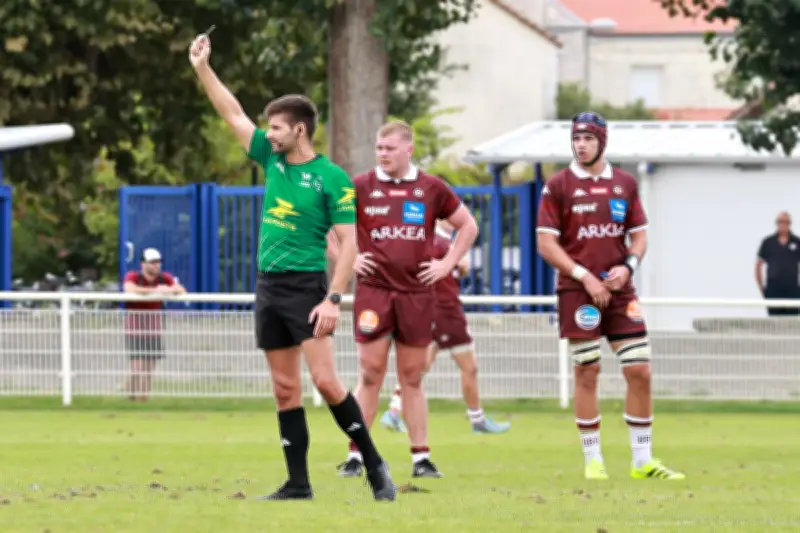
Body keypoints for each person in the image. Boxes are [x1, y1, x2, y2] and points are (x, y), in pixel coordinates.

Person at [189, 31, 395, 502]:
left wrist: (333, 298)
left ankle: (374, 463)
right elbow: (231, 112)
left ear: (298, 129)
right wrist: (202, 68)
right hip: (269, 286)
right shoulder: (271, 159)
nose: (268, 134)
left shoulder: (332, 178)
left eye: (277, 128)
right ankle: (298, 483)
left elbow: (348, 243)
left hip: (308, 287)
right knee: (285, 389)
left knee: (325, 381)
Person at [535, 111, 685, 481]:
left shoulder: (625, 183)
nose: (580, 145)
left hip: (620, 292)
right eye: (576, 139)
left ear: (602, 141)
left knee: (640, 370)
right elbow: (545, 243)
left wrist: (628, 267)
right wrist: (586, 277)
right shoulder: (558, 185)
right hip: (578, 292)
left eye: (587, 138)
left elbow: (639, 235)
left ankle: (642, 461)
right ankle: (593, 460)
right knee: (588, 370)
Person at [335, 120, 479, 479]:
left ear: (408, 149)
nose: (382, 154)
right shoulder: (360, 186)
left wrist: (446, 264)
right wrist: (347, 258)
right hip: (374, 292)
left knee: (412, 376)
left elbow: (469, 226)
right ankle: (356, 455)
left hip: (416, 293)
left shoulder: (431, 188)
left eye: (389, 148)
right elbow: (326, 223)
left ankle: (421, 458)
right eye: (379, 148)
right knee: (370, 373)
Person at [379, 221, 511, 435]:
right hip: (445, 312)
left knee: (421, 366)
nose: (458, 219)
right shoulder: (438, 242)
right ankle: (477, 419)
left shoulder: (433, 241)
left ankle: (394, 411)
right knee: (469, 366)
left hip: (433, 311)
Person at [122, 248, 186, 401]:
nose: (156, 266)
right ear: (143, 264)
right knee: (137, 367)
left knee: (149, 368)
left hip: (154, 328)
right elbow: (129, 289)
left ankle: (144, 398)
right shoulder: (133, 276)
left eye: (158, 262)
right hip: (135, 328)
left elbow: (181, 290)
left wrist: (169, 289)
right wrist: (155, 291)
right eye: (152, 262)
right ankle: (131, 397)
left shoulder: (164, 278)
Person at [755, 211, 800, 316]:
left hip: (793, 291)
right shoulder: (768, 242)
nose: (783, 224)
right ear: (777, 223)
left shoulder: (797, 242)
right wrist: (762, 288)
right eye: (780, 222)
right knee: (775, 324)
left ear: (790, 224)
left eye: (786, 222)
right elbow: (758, 265)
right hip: (773, 291)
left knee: (792, 325)